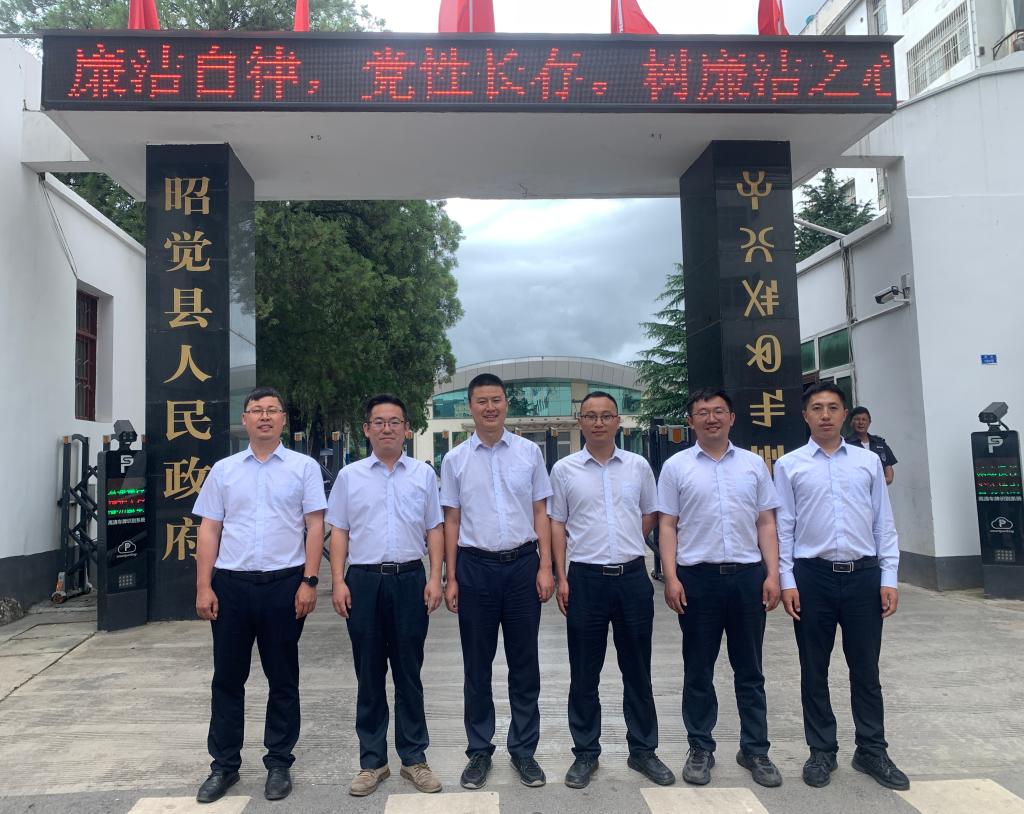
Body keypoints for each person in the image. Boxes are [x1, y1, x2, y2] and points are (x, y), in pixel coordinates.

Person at [192, 386, 326, 804]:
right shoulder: (224, 470)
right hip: (231, 586)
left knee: (283, 679)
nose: (264, 416)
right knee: (227, 679)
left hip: (285, 586)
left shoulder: (303, 468)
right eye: (256, 410)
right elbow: (209, 528)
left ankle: (279, 763)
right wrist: (204, 585)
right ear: (245, 419)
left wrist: (309, 581)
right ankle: (224, 766)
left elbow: (315, 526)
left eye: (272, 410)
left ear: (283, 418)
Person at [775, 382, 909, 791]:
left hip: (864, 577)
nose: (825, 415)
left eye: (833, 407)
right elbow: (784, 527)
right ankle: (821, 750)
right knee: (814, 669)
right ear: (805, 416)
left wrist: (889, 577)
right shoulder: (789, 465)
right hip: (812, 577)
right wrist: (786, 580)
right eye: (817, 408)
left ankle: (871, 749)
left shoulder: (867, 463)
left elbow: (883, 522)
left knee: (866, 669)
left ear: (845, 414)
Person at [657, 387, 783, 789]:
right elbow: (667, 525)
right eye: (702, 412)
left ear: (731, 418)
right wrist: (671, 577)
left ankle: (755, 749)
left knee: (750, 670)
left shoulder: (753, 465)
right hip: (698, 579)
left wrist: (773, 574)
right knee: (698, 669)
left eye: (718, 411)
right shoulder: (676, 467)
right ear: (690, 421)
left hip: (747, 577)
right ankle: (700, 747)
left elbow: (766, 522)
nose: (711, 418)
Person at [549, 391, 675, 790]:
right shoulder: (564, 470)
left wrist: (625, 540)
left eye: (606, 416)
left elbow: (651, 513)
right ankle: (586, 752)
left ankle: (643, 750)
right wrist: (562, 577)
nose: (599, 422)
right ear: (580, 422)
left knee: (637, 669)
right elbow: (557, 524)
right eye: (591, 416)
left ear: (618, 421)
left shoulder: (638, 466)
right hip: (585, 580)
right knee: (584, 673)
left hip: (632, 579)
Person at [326, 394, 445, 797]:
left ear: (407, 429)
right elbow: (339, 531)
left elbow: (434, 529)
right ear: (367, 430)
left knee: (409, 672)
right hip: (363, 581)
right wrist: (338, 581)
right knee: (369, 673)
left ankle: (414, 759)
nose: (387, 428)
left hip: (410, 579)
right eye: (379, 422)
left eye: (395, 422)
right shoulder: (350, 476)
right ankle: (372, 762)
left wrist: (435, 578)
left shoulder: (423, 475)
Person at [440, 372, 554, 790]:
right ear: (470, 407)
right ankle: (478, 750)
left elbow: (541, 512)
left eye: (496, 400)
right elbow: (452, 520)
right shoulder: (455, 459)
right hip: (474, 569)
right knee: (477, 665)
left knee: (525, 664)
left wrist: (545, 567)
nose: (490, 408)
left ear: (507, 404)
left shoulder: (529, 453)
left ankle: (524, 750)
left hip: (522, 566)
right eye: (482, 401)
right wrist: (451, 576)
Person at [845, 406, 897, 485]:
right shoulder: (845, 444)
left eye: (864, 419)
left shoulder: (880, 443)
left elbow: (889, 477)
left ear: (869, 422)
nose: (861, 422)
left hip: (879, 490)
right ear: (851, 423)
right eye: (857, 419)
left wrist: (870, 483)